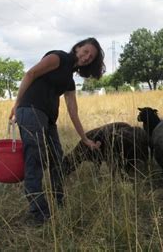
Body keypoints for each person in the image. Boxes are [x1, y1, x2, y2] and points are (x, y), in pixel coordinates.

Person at [9, 37, 105, 225]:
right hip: (30, 111)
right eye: (85, 51)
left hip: (48, 119)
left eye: (91, 57)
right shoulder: (58, 58)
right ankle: (40, 215)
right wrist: (17, 104)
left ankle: (59, 201)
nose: (87, 57)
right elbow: (30, 74)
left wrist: (85, 139)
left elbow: (73, 112)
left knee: (57, 160)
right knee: (35, 160)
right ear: (77, 48)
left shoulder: (69, 82)